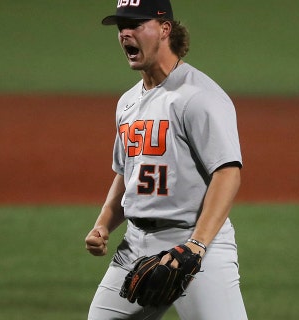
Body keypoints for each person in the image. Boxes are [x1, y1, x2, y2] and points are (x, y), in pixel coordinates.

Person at [85, 0, 248, 319]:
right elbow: (127, 175)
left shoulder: (198, 96)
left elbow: (228, 173)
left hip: (196, 247)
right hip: (135, 246)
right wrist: (103, 225)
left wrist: (196, 246)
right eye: (121, 27)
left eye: (135, 24)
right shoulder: (128, 103)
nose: (125, 34)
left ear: (164, 29)